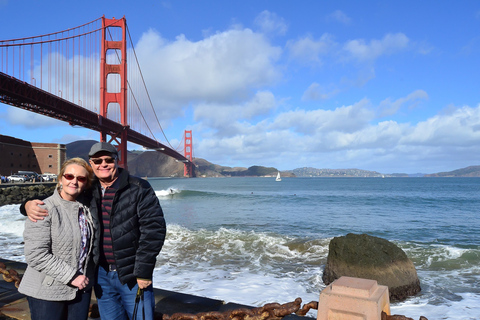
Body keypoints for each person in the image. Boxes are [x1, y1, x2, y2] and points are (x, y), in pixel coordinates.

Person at [23, 142, 167, 320]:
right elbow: (60, 197)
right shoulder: (88, 190)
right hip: (101, 275)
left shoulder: (139, 187)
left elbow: (154, 230)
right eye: (97, 161)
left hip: (132, 273)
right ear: (91, 164)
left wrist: (144, 271)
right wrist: (27, 205)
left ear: (117, 161)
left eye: (108, 160)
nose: (103, 164)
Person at [18, 158, 95, 320]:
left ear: (86, 183)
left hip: (80, 290)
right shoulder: (43, 209)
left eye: (80, 178)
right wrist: (73, 276)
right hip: (47, 292)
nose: (74, 181)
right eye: (69, 176)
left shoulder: (86, 209)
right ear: (60, 179)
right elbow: (35, 255)